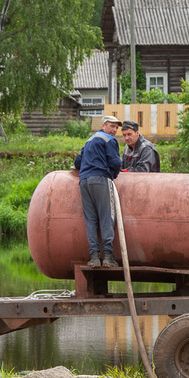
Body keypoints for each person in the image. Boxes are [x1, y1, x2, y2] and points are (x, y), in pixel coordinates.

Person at [73, 115, 122, 268]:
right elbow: (115, 162)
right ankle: (107, 257)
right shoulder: (109, 140)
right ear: (103, 126)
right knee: (107, 217)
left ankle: (94, 257)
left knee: (91, 219)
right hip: (100, 179)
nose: (114, 130)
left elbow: (77, 162)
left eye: (116, 127)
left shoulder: (89, 140)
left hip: (84, 181)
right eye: (111, 126)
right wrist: (113, 175)